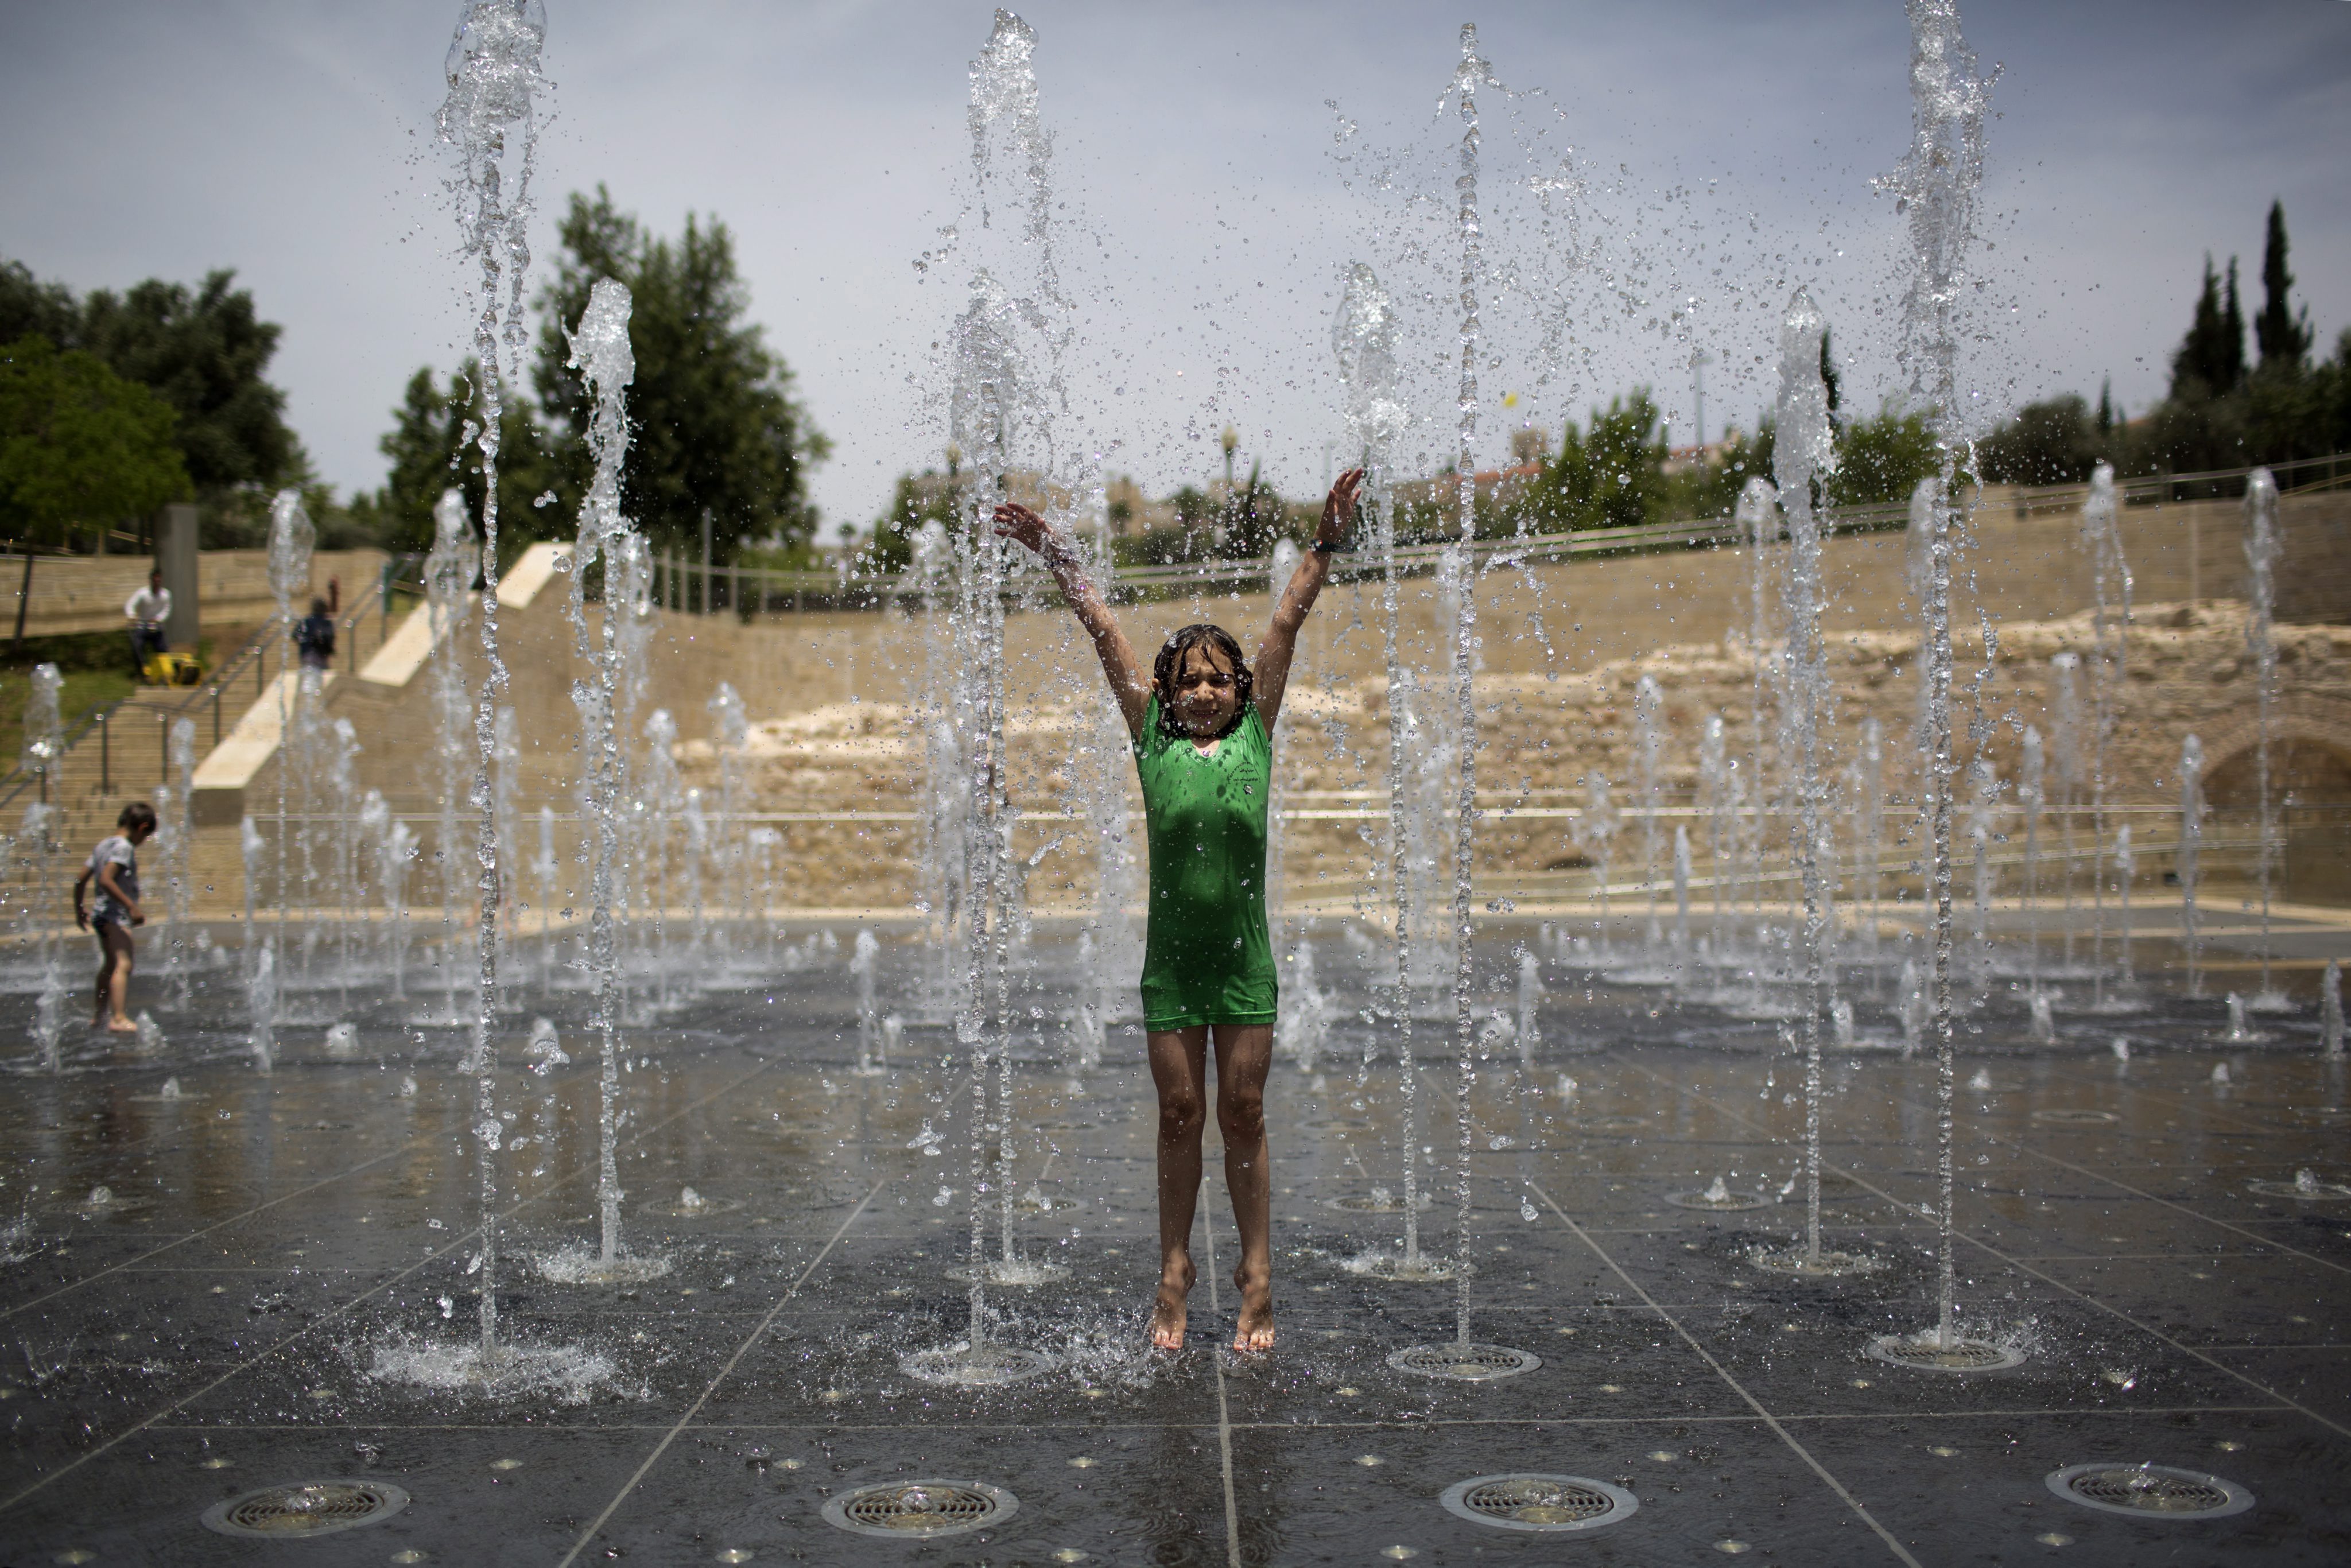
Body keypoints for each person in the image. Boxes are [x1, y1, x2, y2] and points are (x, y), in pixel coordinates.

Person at [994, 468, 1363, 1354]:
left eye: (1218, 681)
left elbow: (1286, 622)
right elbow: (1103, 630)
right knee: (1180, 1114)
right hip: (1171, 964)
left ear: (1242, 689)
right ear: (1165, 693)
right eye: (1188, 681)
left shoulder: (1256, 735)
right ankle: (1173, 1271)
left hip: (1243, 962)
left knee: (1244, 1110)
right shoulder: (1152, 737)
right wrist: (1057, 556)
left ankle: (1257, 1277)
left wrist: (1324, 542)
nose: (1203, 692)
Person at [74, 802, 157, 1035]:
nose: (144, 841)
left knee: (110, 964)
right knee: (124, 963)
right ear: (142, 827)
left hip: (101, 915)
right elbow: (106, 880)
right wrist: (131, 907)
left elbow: (80, 880)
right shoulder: (124, 847)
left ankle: (99, 1016)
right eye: (146, 836)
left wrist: (79, 909)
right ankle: (118, 1017)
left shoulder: (103, 845)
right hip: (115, 916)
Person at [125, 569, 170, 674]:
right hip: (142, 626)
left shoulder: (166, 595)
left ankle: (163, 673)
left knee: (163, 651)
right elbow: (130, 604)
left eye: (159, 580)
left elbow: (167, 610)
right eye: (155, 580)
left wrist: (158, 618)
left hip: (156, 626)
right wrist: (132, 616)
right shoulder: (143, 593)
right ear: (151, 580)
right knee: (137, 647)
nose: (157, 583)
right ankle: (142, 671)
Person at [296, 596, 336, 669]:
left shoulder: (307, 621)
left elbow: (296, 635)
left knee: (311, 670)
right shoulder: (325, 623)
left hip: (310, 653)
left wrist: (305, 643)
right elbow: (330, 637)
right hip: (318, 654)